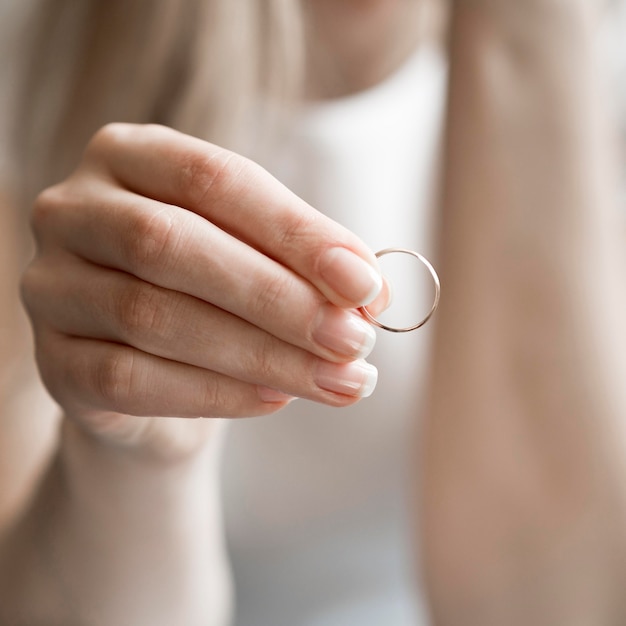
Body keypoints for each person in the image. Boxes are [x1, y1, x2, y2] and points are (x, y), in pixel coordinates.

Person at [1, 1, 626, 624]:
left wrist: (531, 38)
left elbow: (554, 611)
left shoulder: (599, 62)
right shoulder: (32, 57)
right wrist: (129, 456)